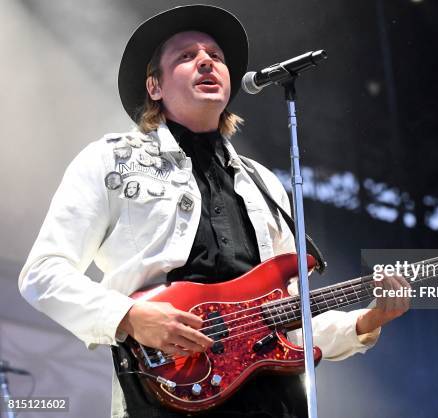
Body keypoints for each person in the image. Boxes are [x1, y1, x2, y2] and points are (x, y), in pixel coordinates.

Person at [18, 5, 410, 418]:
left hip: (275, 401)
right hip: (166, 394)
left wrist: (366, 322)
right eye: (187, 57)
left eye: (216, 57)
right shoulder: (110, 161)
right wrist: (129, 316)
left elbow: (289, 316)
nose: (207, 60)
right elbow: (43, 273)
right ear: (154, 86)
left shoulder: (264, 183)